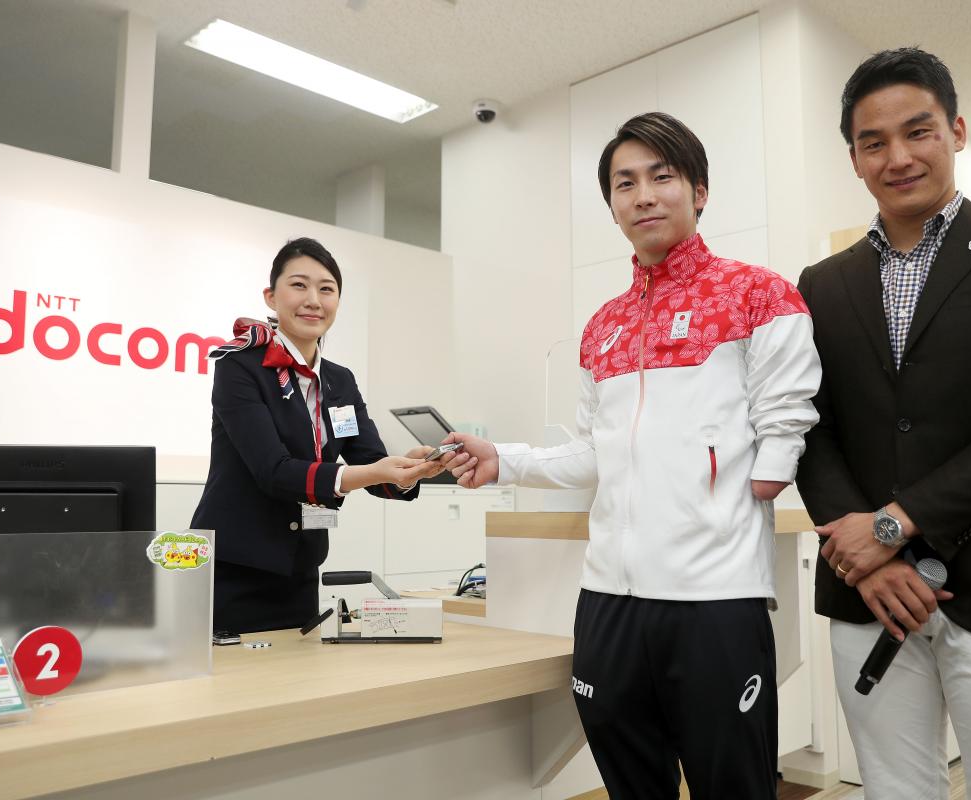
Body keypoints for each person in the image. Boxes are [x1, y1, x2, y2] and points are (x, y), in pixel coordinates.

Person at [442, 112, 821, 799]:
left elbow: (787, 414)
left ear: (699, 191)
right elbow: (592, 454)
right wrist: (505, 460)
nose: (642, 194)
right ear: (612, 205)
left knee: (732, 786)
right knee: (629, 786)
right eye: (625, 183)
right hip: (609, 602)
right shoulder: (604, 327)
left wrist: (767, 472)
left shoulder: (760, 296)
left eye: (661, 176)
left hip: (714, 599)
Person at [795, 47, 971, 799]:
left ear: (957, 131)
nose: (898, 156)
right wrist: (866, 554)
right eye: (873, 142)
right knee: (893, 790)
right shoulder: (822, 286)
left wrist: (891, 526)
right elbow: (807, 426)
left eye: (918, 130)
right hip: (868, 597)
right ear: (854, 159)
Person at [191, 237, 442, 634]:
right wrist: (378, 472)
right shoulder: (240, 365)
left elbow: (369, 461)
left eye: (326, 289)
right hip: (235, 569)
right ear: (271, 297)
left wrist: (412, 468)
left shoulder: (340, 380)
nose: (313, 300)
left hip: (301, 568)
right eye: (299, 285)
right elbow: (273, 471)